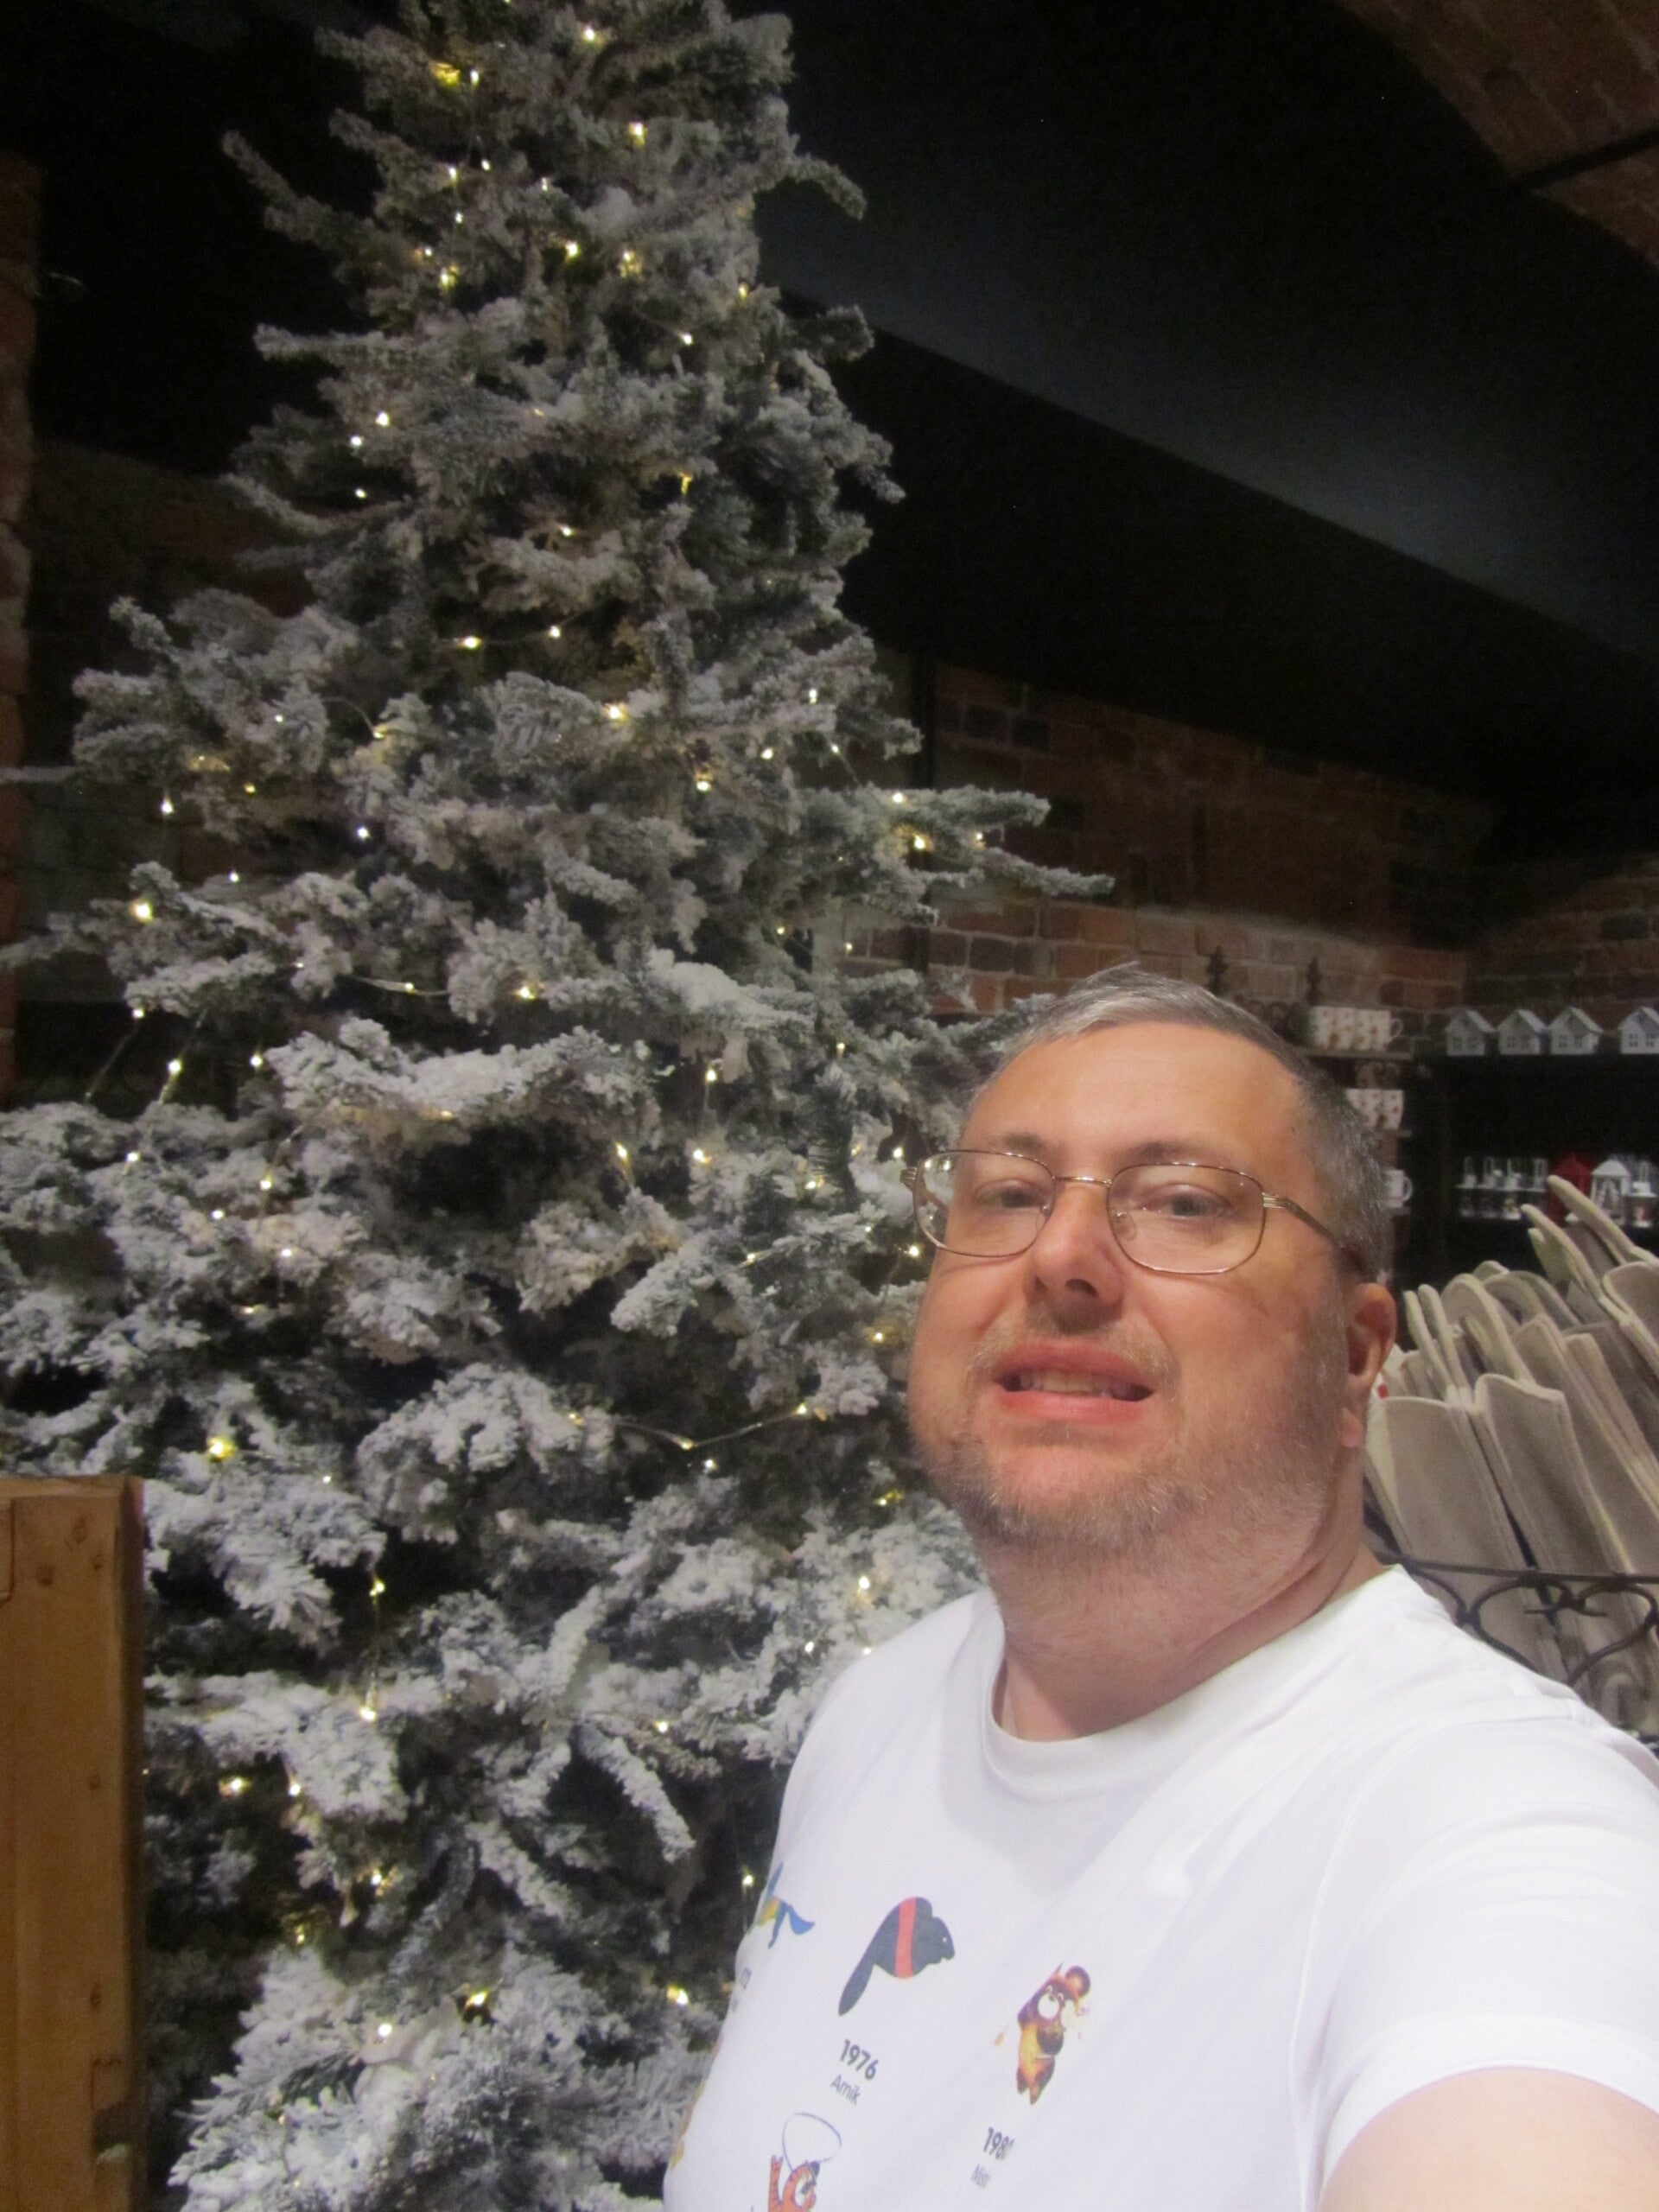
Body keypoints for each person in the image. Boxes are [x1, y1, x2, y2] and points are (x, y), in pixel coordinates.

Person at [664, 968, 1659, 2212]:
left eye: (1185, 1204)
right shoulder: (879, 1709)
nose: (1060, 1256)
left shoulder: (1499, 1830)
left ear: (1355, 1359)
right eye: (1008, 1194)